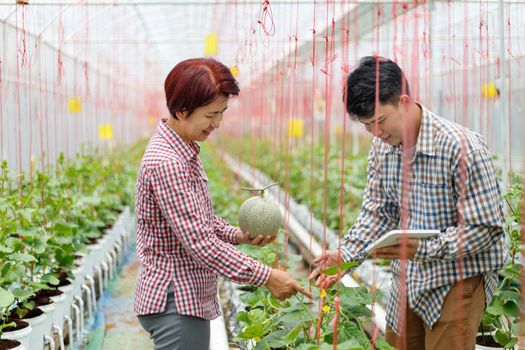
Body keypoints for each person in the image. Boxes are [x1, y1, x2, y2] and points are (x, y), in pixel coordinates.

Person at [309, 56, 507, 350]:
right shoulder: (382, 148)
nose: (375, 132)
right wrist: (347, 254)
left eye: (379, 121)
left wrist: (422, 248)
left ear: (403, 101)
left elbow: (485, 229)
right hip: (409, 275)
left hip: (458, 277)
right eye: (366, 126)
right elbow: (378, 213)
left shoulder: (461, 147)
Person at [134, 58, 312, 350]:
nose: (217, 124)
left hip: (183, 297)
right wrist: (266, 276)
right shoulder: (168, 163)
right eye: (211, 114)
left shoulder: (183, 150)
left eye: (222, 113)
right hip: (175, 300)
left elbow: (197, 218)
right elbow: (200, 243)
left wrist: (236, 235)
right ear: (182, 110)